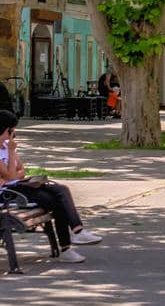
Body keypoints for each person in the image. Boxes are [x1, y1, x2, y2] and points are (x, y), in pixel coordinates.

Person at [0, 112, 103, 261]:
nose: (13, 134)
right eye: (10, 131)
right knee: (56, 202)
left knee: (61, 190)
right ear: (3, 129)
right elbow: (10, 175)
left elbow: (21, 171)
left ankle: (77, 231)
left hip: (19, 186)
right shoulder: (6, 149)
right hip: (7, 194)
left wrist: (11, 169)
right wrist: (10, 155)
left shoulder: (6, 146)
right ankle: (66, 248)